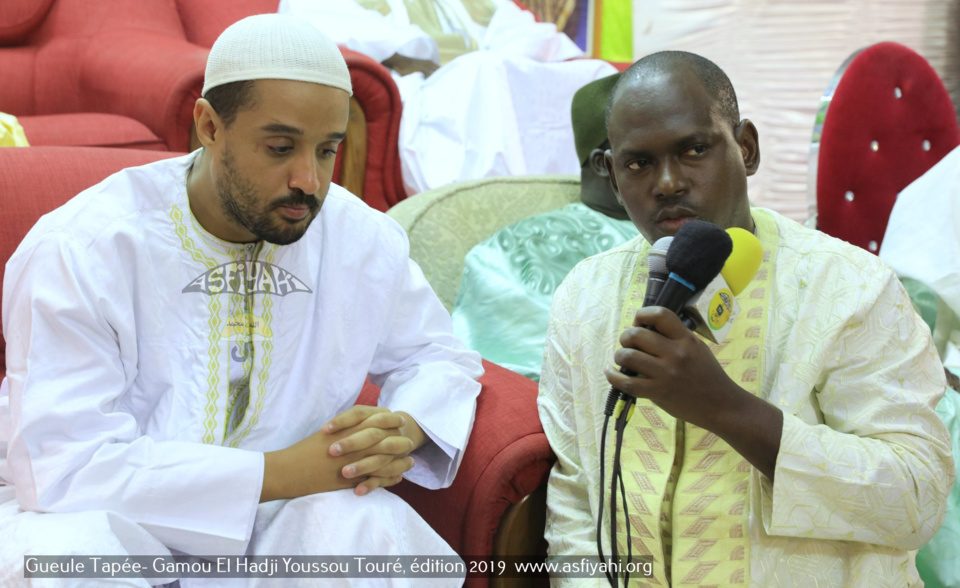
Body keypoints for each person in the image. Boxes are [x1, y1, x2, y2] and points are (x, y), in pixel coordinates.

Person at [0, 14, 481, 587]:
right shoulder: (85, 249)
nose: (309, 179)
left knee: (368, 528)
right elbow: (60, 468)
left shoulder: (360, 239)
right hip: (115, 527)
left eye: (327, 150)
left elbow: (438, 357)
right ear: (208, 125)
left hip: (280, 524)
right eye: (280, 147)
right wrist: (275, 473)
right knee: (61, 561)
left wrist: (401, 427)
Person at [537, 50, 955, 586]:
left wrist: (727, 408)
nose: (667, 183)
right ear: (613, 180)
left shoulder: (850, 288)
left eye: (694, 149)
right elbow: (577, 498)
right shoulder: (585, 296)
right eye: (638, 163)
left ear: (746, 148)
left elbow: (917, 499)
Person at [279, 0, 617, 195]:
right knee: (484, 75)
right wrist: (428, 54)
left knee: (596, 76)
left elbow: (517, 29)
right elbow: (320, 31)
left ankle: (603, 195)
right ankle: (511, 201)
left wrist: (512, 60)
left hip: (493, 71)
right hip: (419, 86)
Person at [451, 73, 636, 381]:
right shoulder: (524, 244)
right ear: (604, 164)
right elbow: (523, 372)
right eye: (643, 157)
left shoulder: (705, 228)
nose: (673, 176)